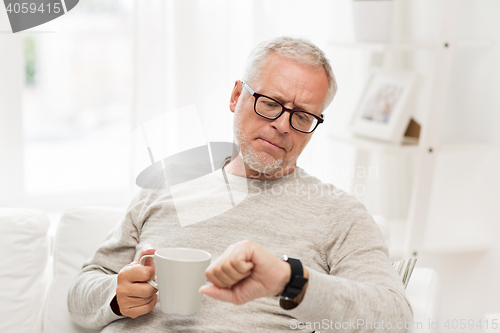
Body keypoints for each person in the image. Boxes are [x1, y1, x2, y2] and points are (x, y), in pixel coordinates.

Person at [68, 36, 413, 332]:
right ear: (236, 96)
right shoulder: (166, 185)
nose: (282, 125)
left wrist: (288, 278)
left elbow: (395, 317)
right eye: (270, 104)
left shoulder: (338, 213)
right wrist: (115, 293)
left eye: (303, 116)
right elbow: (82, 291)